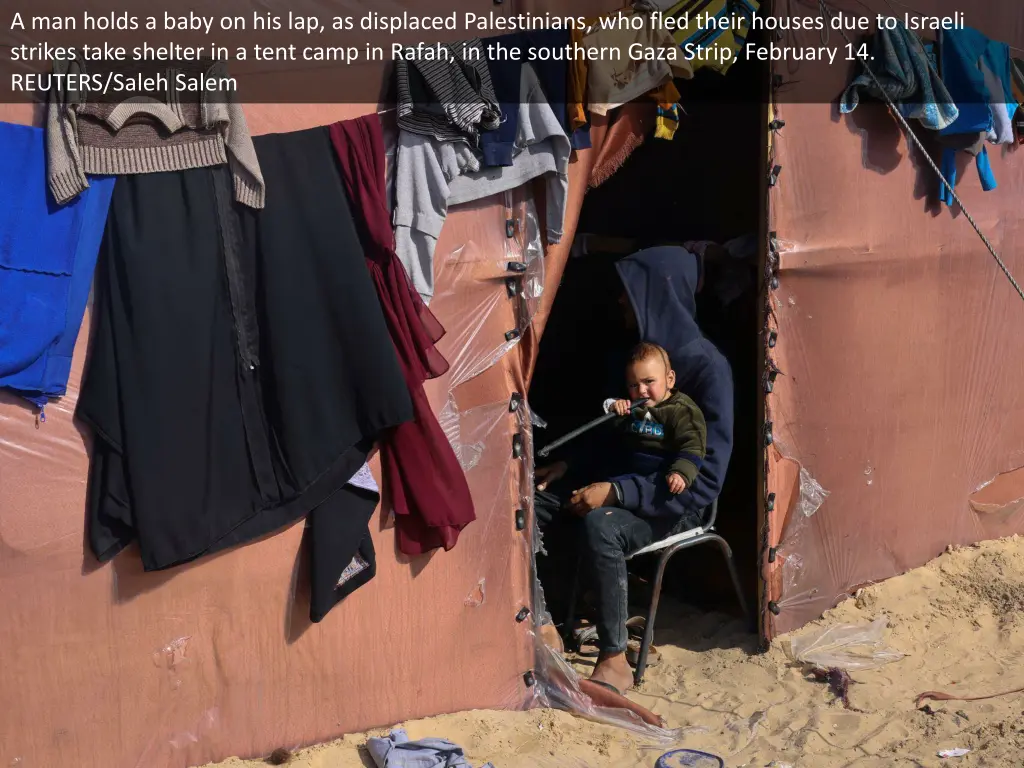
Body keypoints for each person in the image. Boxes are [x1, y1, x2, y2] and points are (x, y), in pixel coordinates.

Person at [534, 245, 735, 695]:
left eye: (630, 293)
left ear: (655, 295)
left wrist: (618, 494)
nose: (621, 302)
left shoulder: (707, 371)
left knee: (602, 526)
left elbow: (704, 478)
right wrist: (570, 466)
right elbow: (614, 440)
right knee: (536, 502)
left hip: (672, 503)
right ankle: (541, 620)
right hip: (627, 490)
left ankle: (613, 656)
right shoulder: (634, 365)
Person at [603, 342, 707, 499]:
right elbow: (611, 434)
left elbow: (693, 446)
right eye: (633, 385)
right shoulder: (632, 407)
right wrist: (614, 407)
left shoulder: (682, 410)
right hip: (627, 474)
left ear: (670, 379)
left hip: (658, 481)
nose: (641, 390)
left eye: (649, 381)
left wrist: (681, 473)